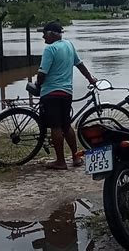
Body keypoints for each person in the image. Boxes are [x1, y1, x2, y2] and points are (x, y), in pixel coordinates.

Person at [36, 21, 97, 170]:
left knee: (55, 127)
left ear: (51, 34)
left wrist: (38, 86)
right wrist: (90, 78)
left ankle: (60, 161)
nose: (43, 37)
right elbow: (80, 64)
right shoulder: (69, 45)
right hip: (66, 92)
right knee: (66, 125)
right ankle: (76, 158)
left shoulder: (50, 49)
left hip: (51, 93)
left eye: (45, 33)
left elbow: (42, 73)